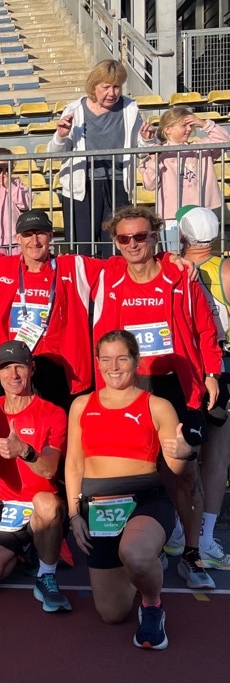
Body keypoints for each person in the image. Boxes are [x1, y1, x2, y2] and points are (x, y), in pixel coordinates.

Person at [93, 205, 223, 590]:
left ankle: (192, 555)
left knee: (185, 472)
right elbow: (103, 341)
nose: (132, 244)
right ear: (116, 243)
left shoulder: (179, 275)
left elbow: (204, 329)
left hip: (180, 388)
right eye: (124, 238)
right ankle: (156, 544)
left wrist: (212, 371)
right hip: (135, 392)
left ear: (155, 237)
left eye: (140, 236)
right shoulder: (111, 278)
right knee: (141, 471)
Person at [66, 330, 196, 650]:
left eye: (122, 358)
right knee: (112, 614)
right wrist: (73, 515)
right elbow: (73, 465)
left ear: (136, 361)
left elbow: (178, 472)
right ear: (97, 363)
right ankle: (142, 566)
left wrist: (184, 455)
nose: (114, 366)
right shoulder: (82, 405)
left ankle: (152, 605)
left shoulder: (157, 405)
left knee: (135, 554)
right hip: (98, 509)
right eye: (106, 359)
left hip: (144, 500)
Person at [0, 340, 71, 613]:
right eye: (6, 367)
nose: (13, 374)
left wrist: (24, 451)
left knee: (47, 503)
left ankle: (46, 575)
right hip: (4, 511)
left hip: (40, 509)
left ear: (32, 368)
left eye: (20, 366)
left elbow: (49, 469)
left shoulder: (53, 412)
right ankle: (22, 554)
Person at [0, 209, 104, 412]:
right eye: (27, 234)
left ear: (50, 235)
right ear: (18, 239)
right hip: (15, 367)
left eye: (40, 233)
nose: (34, 240)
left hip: (61, 370)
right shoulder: (0, 267)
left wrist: (165, 260)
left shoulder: (74, 266)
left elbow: (121, 267)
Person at [47, 60, 156, 255]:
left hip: (118, 185)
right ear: (93, 87)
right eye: (106, 87)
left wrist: (146, 140)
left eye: (116, 87)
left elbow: (141, 150)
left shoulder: (130, 109)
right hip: (81, 189)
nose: (112, 93)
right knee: (82, 249)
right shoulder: (74, 110)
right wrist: (61, 135)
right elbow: (54, 153)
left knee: (115, 246)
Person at [176, 206, 230, 571]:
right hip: (220, 364)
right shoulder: (225, 268)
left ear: (182, 236)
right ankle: (206, 536)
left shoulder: (174, 267)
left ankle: (178, 531)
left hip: (183, 364)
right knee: (217, 456)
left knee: (180, 452)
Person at [139, 107, 229, 250]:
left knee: (202, 253)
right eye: (184, 125)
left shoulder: (201, 147)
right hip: (172, 216)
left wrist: (202, 123)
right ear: (168, 129)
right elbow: (149, 184)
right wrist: (154, 159)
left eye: (190, 125)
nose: (189, 129)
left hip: (201, 212)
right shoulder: (158, 152)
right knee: (174, 255)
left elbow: (225, 139)